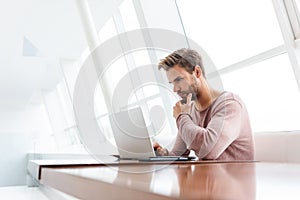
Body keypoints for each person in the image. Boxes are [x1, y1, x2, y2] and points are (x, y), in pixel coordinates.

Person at [154, 48, 254, 160]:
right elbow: (178, 155)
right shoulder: (189, 111)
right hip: (208, 176)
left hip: (234, 177)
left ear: (197, 72)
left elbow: (208, 151)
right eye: (172, 83)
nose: (175, 89)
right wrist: (160, 152)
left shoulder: (230, 104)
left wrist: (181, 117)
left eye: (179, 80)